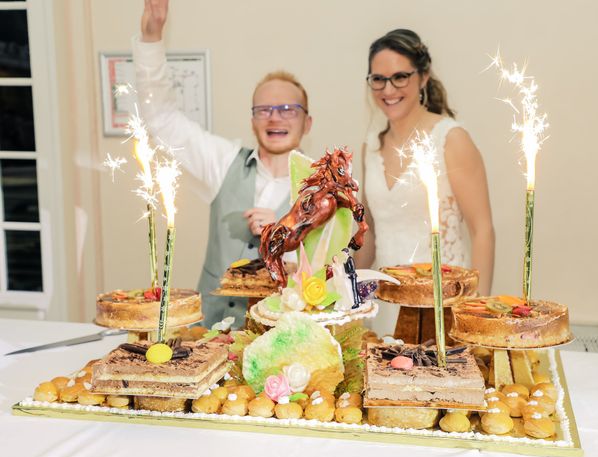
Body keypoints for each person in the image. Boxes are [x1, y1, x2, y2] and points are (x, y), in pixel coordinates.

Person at [134, 0, 312, 327]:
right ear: (253, 120)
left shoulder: (321, 186)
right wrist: (151, 39)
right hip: (211, 333)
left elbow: (334, 265)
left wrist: (283, 234)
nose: (275, 117)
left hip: (285, 341)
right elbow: (160, 118)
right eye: (264, 109)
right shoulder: (223, 161)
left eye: (288, 109)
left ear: (307, 123)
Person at [355, 29, 495, 335]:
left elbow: (482, 230)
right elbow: (369, 232)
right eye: (378, 79)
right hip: (384, 301)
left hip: (442, 301)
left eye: (400, 77)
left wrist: (477, 315)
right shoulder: (371, 147)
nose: (388, 89)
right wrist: (350, 292)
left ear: (423, 77)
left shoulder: (451, 139)